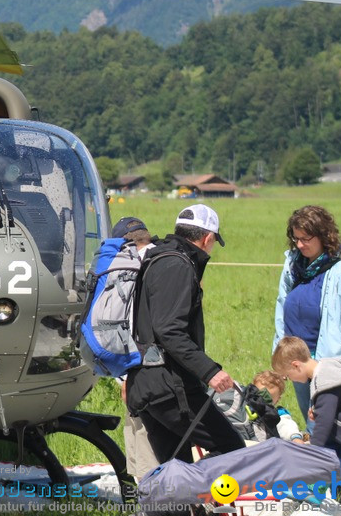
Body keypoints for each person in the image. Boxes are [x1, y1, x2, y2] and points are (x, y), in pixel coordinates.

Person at [125, 204, 245, 463]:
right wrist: (210, 371)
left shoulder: (158, 257)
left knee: (175, 468)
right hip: (168, 386)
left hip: (147, 384)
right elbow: (169, 330)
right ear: (208, 238)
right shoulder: (177, 265)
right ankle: (215, 500)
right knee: (231, 448)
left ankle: (180, 504)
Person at [273, 205, 341, 433]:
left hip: (330, 368)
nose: (300, 245)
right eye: (296, 239)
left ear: (323, 236)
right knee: (312, 427)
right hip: (297, 365)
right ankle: (320, 468)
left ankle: (340, 470)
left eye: (306, 239)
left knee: (329, 432)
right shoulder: (292, 266)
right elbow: (281, 308)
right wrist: (279, 355)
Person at [272, 336, 341, 508]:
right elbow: (332, 407)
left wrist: (313, 452)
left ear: (296, 365)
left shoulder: (325, 382)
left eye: (287, 376)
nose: (290, 380)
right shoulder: (324, 370)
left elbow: (324, 424)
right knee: (329, 452)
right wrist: (317, 412)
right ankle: (318, 489)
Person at [109, 216, 160, 480]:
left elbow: (125, 324)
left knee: (141, 433)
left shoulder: (129, 271)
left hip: (136, 368)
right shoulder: (163, 263)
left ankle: (147, 496)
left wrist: (124, 378)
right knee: (146, 433)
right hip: (155, 368)